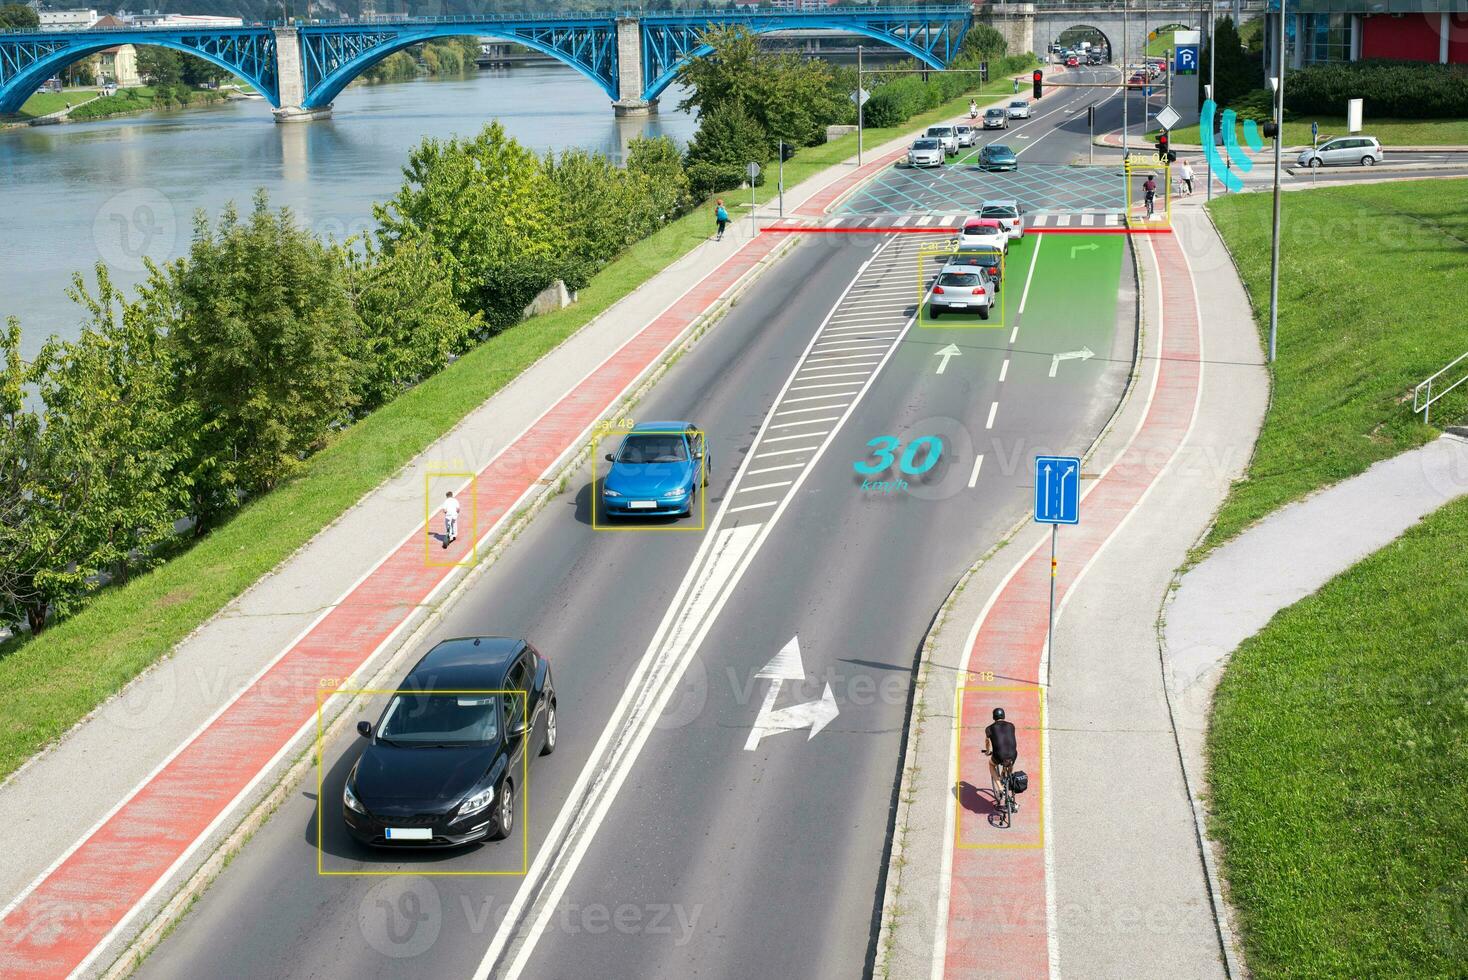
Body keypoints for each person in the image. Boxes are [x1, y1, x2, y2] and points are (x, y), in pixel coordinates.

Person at [983, 707, 1018, 812]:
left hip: (998, 755)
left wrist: (987, 751)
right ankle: (1006, 774)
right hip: (1013, 754)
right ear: (1004, 716)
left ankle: (1000, 787)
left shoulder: (989, 728)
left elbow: (988, 742)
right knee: (1009, 762)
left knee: (991, 765)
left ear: (994, 717)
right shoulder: (1011, 726)